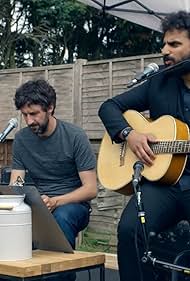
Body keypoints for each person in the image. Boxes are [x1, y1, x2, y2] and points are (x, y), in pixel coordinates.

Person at [98, 10, 190, 281]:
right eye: (163, 43)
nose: (164, 50)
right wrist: (129, 134)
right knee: (129, 230)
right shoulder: (158, 82)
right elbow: (109, 107)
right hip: (163, 185)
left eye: (174, 44)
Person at [10, 79, 97, 281]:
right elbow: (17, 184)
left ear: (50, 108)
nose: (29, 121)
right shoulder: (21, 140)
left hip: (73, 206)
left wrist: (56, 201)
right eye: (24, 115)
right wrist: (18, 198)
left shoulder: (75, 136)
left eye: (34, 114)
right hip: (38, 205)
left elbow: (91, 189)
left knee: (60, 218)